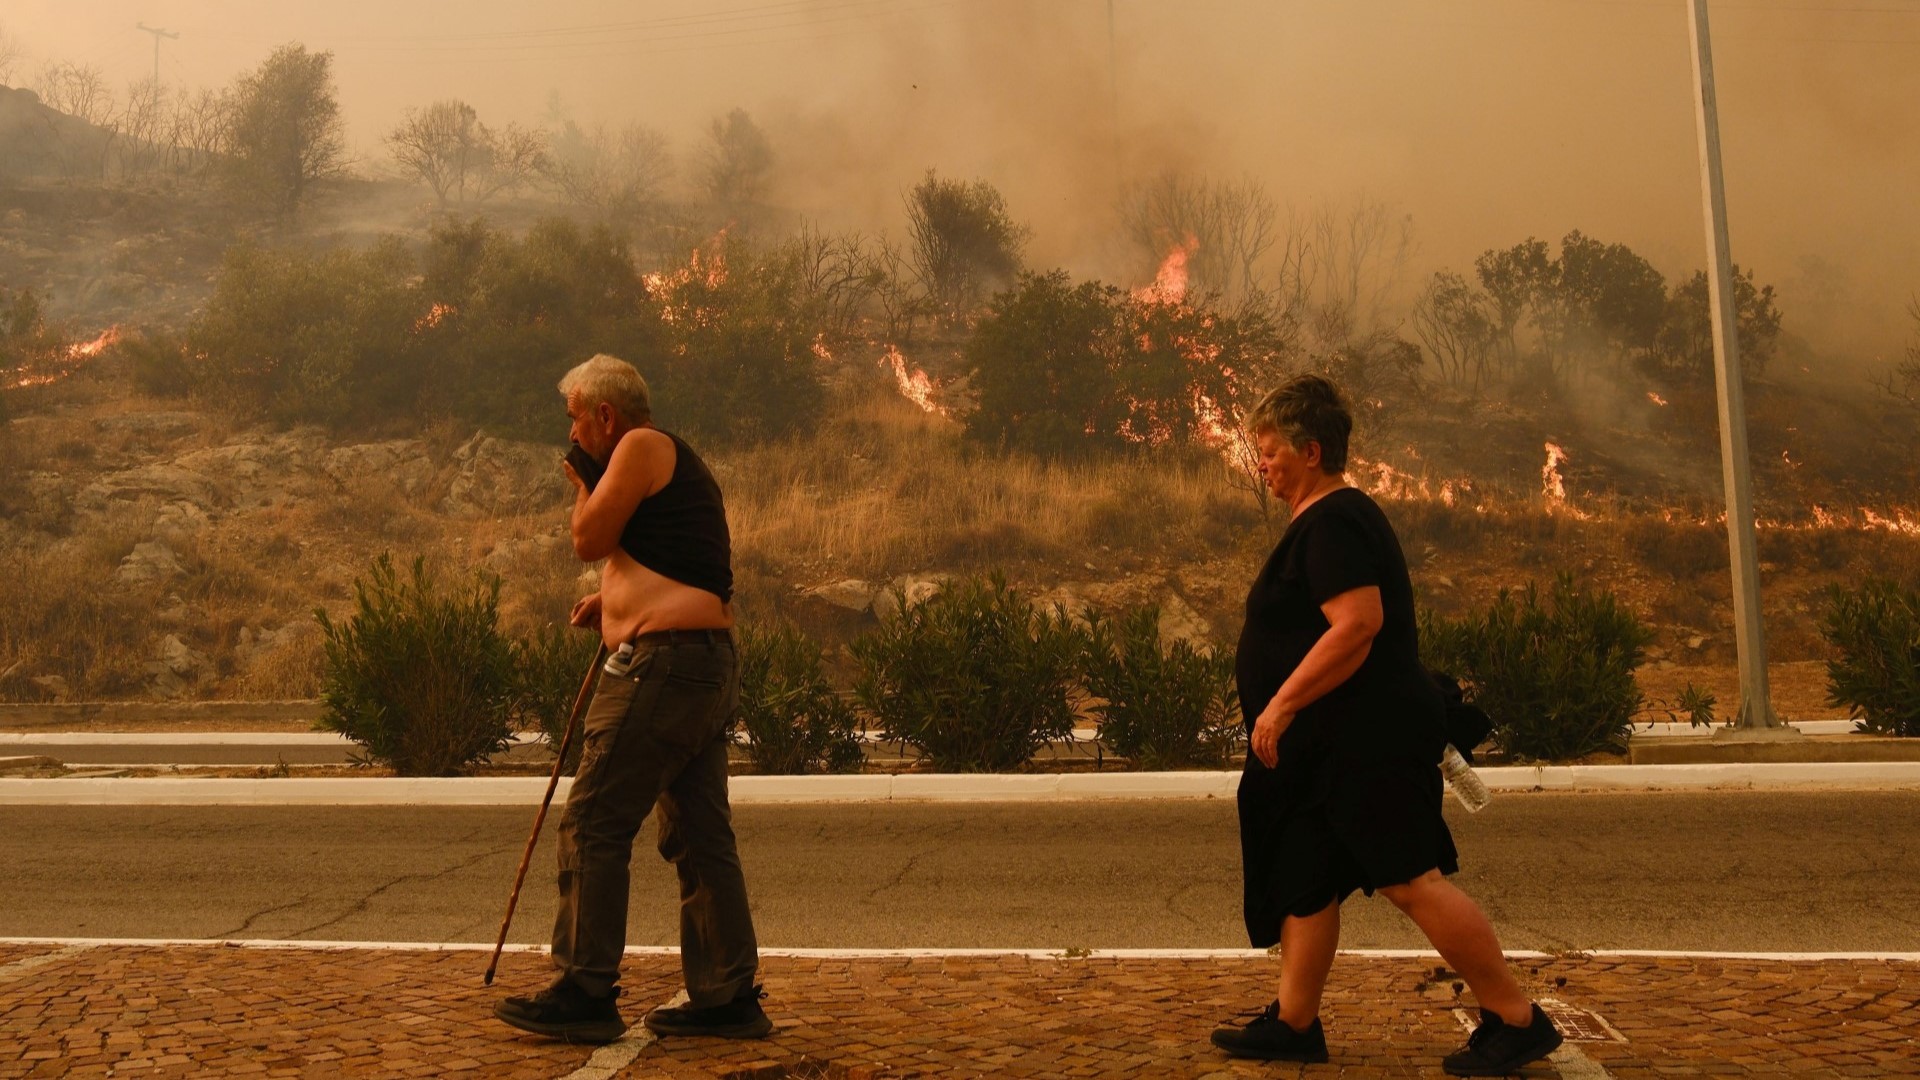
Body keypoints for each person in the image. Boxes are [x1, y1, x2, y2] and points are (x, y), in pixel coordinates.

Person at [1211, 374, 1562, 1076]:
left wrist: (1280, 704)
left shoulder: (1336, 520)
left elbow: (1358, 624)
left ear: (1311, 452)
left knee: (1410, 880)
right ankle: (1294, 1022)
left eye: (1271, 450)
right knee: (1305, 876)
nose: (1263, 464)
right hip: (1330, 748)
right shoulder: (1326, 519)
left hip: (1364, 742)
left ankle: (1517, 1019)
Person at [494, 354, 772, 1045]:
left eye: (575, 421)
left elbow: (590, 538)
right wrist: (611, 603)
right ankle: (727, 996)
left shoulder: (640, 446)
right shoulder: (670, 461)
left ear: (604, 415)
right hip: (698, 666)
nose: (572, 437)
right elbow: (673, 559)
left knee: (593, 821)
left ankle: (584, 991)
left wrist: (581, 485)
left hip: (665, 667)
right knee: (699, 834)